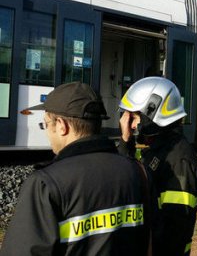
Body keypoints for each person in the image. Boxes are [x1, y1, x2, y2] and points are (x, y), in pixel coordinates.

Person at [0, 82, 151, 256]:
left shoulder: (45, 183)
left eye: (46, 124)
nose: (47, 132)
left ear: (62, 126)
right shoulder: (138, 172)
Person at [117, 76, 197, 256]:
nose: (130, 125)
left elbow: (175, 229)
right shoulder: (156, 149)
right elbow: (127, 178)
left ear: (152, 113)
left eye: (133, 117)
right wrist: (125, 142)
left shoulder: (179, 161)